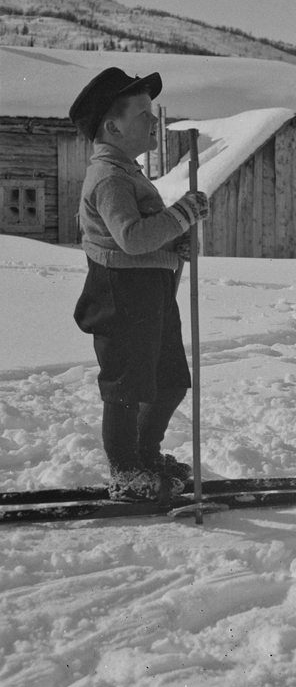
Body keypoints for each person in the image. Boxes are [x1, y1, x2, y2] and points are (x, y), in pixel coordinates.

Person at [69, 67, 210, 500]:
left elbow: (145, 239)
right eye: (145, 114)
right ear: (113, 127)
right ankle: (126, 470)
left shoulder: (126, 171)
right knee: (127, 384)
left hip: (148, 290)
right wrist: (181, 215)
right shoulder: (110, 177)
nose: (155, 121)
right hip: (120, 292)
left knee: (169, 381)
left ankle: (146, 453)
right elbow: (131, 238)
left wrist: (174, 247)